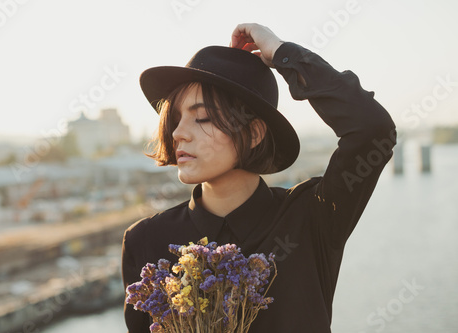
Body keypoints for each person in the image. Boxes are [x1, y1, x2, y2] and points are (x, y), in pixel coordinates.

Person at [121, 23, 396, 332]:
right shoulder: (144, 240)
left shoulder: (311, 217)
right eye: (175, 119)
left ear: (253, 133)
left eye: (202, 118)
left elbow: (373, 131)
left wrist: (283, 54)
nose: (178, 133)